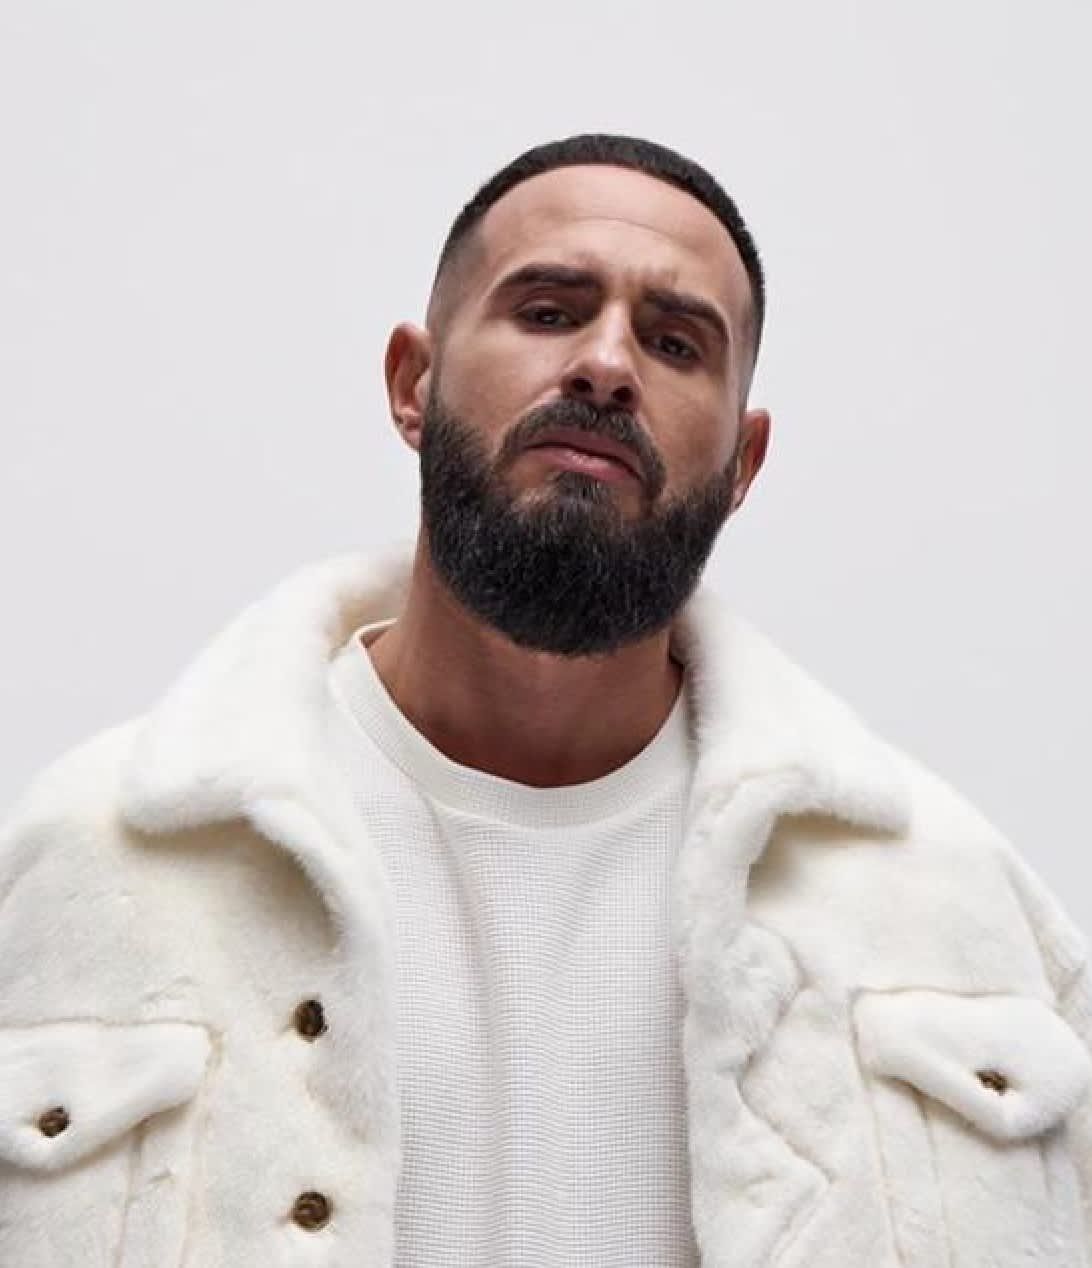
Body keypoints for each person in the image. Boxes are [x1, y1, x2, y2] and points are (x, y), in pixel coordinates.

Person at [0, 133, 1088, 1268]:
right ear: (413, 384)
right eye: (549, 311)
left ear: (743, 462)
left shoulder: (953, 912)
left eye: (676, 342)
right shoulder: (92, 870)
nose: (607, 366)